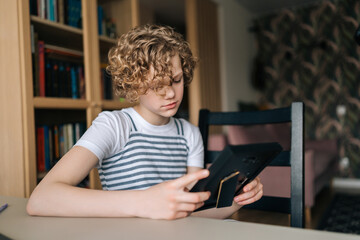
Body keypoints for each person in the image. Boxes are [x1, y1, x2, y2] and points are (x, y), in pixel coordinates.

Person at [27, 24, 263, 220]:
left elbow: (192, 212)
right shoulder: (115, 126)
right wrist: (144, 202)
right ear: (132, 86)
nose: (170, 93)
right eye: (155, 85)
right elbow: (41, 199)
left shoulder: (189, 134)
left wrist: (232, 202)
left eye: (176, 80)